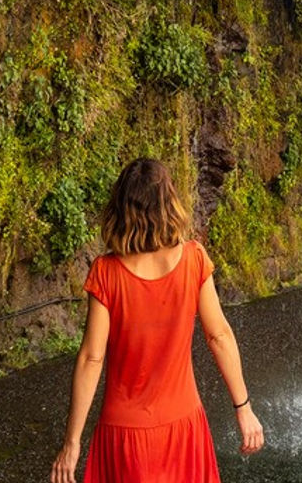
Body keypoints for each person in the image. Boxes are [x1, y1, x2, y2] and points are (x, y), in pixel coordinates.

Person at [51, 158, 264, 483]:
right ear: (170, 204)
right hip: (183, 427)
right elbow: (219, 336)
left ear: (121, 208)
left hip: (124, 433)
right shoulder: (194, 259)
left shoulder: (106, 273)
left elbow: (92, 358)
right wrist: (243, 408)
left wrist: (72, 443)